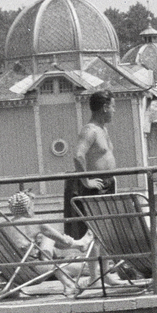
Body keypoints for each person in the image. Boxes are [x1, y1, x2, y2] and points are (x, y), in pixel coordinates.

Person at [6, 190, 95, 295]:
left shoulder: (3, 226)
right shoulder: (35, 222)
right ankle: (69, 285)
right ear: (28, 208)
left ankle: (80, 245)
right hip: (33, 270)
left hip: (9, 272)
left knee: (48, 237)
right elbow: (64, 241)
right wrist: (69, 240)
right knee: (55, 253)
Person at [64, 89, 117, 238]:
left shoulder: (103, 130)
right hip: (97, 186)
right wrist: (86, 182)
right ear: (105, 107)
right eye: (113, 107)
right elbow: (78, 155)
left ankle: (104, 261)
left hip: (107, 183)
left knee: (107, 230)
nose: (114, 111)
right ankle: (95, 261)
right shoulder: (90, 130)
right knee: (97, 231)